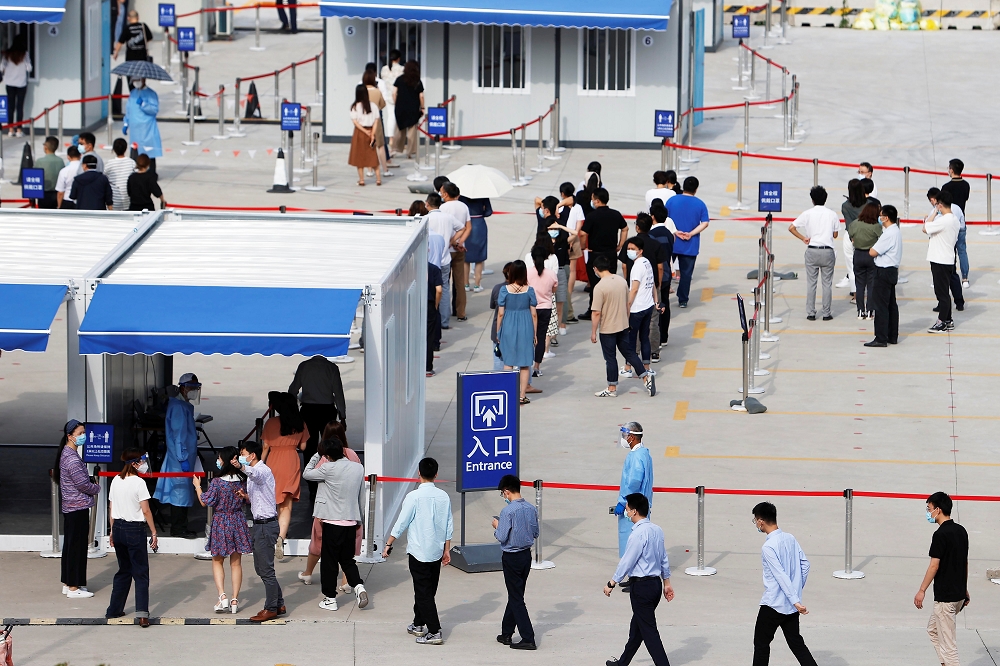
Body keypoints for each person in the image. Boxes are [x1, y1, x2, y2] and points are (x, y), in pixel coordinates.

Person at [382, 457, 453, 645]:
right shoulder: (443, 496)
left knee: (423, 592)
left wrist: (389, 543)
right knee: (427, 590)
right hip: (436, 552)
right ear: (436, 474)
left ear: (419, 473)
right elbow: (448, 525)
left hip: (418, 552)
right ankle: (418, 623)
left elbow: (402, 522)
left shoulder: (413, 497)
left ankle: (435, 631)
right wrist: (447, 550)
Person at [603, 493, 673, 666]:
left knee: (648, 631)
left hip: (641, 588)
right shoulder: (657, 530)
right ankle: (622, 663)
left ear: (634, 511)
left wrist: (612, 582)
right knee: (637, 629)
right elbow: (664, 558)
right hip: (655, 585)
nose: (626, 512)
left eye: (627, 509)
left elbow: (627, 561)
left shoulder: (637, 534)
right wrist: (667, 583)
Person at [302, 437, 369, 612]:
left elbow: (307, 473)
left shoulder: (327, 468)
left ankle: (330, 598)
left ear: (327, 454)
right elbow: (361, 496)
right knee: (347, 560)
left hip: (331, 522)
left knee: (329, 562)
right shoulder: (358, 468)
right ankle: (359, 586)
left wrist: (317, 455)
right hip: (350, 521)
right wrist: (359, 520)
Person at [751, 502, 817, 666]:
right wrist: (796, 595)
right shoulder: (790, 538)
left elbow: (780, 575)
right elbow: (805, 565)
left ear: (761, 521)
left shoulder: (768, 547)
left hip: (773, 604)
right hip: (791, 607)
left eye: (755, 521)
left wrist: (794, 599)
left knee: (761, 645)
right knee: (796, 644)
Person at [192, 445, 253, 614]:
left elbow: (205, 501)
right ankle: (234, 600)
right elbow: (248, 500)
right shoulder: (242, 481)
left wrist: (197, 486)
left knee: (217, 560)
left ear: (224, 461)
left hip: (221, 521)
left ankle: (222, 596)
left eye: (219, 458)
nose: (217, 461)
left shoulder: (217, 483)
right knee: (236, 563)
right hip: (238, 520)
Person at [914, 491, 969, 666]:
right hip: (958, 595)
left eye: (929, 509)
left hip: (945, 599)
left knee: (949, 646)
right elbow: (964, 563)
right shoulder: (961, 531)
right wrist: (964, 588)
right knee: (933, 630)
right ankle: (945, 664)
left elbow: (934, 566)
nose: (928, 513)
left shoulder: (940, 535)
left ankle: (949, 663)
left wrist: (921, 590)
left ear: (938, 510)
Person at [106, 447, 157, 628]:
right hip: (134, 530)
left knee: (123, 570)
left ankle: (114, 609)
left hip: (118, 528)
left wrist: (112, 530)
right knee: (141, 573)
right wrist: (153, 532)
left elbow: (111, 508)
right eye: (142, 461)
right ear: (135, 464)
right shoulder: (138, 483)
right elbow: (146, 510)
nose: (143, 465)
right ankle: (142, 614)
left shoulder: (115, 481)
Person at [235, 440, 286, 622]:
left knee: (265, 570)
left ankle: (271, 607)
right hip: (260, 524)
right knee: (262, 568)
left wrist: (240, 466)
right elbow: (260, 497)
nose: (242, 457)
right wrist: (246, 497)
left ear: (252, 455)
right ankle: (278, 603)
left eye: (243, 454)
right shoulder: (255, 473)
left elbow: (255, 475)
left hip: (266, 525)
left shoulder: (262, 470)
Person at [590, 254, 655, 398]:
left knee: (610, 358)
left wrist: (593, 332)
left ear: (596, 269)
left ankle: (612, 387)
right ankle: (645, 377)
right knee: (630, 353)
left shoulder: (599, 287)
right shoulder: (621, 281)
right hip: (623, 325)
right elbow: (627, 303)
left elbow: (596, 313)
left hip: (608, 328)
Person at [288, 355, 347, 506]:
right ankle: (330, 480)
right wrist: (343, 415)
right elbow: (338, 393)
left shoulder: (304, 366)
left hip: (308, 410)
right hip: (327, 410)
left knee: (309, 448)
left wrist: (292, 409)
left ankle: (312, 485)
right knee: (330, 446)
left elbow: (293, 389)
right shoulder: (332, 368)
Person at [55, 419, 100, 599]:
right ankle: (74, 587)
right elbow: (82, 484)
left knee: (71, 546)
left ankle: (69, 582)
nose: (84, 436)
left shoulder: (67, 454)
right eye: (80, 433)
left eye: (84, 433)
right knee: (77, 547)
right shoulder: (72, 459)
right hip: (77, 507)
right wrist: (96, 488)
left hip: (71, 507)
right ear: (70, 436)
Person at [493, 474, 539, 650]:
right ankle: (506, 633)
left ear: (506, 492)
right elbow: (535, 532)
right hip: (526, 556)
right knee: (516, 594)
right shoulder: (530, 508)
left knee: (516, 598)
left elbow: (502, 536)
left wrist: (497, 526)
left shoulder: (507, 512)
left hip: (511, 557)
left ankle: (528, 637)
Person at [262, 391, 309, 561]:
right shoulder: (300, 423)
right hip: (291, 461)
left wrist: (259, 466)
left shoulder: (271, 422)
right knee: (286, 505)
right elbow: (303, 447)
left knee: (272, 500)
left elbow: (266, 446)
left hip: (274, 460)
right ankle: (281, 537)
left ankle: (270, 535)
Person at [154, 372, 201, 538]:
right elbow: (178, 436)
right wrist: (182, 458)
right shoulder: (179, 408)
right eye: (192, 387)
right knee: (180, 493)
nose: (195, 390)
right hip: (180, 458)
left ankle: (181, 525)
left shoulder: (183, 405)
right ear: (183, 388)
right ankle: (178, 528)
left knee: (183, 492)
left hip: (183, 456)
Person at [789, 186, 840, 322]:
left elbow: (791, 227)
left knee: (811, 283)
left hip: (812, 250)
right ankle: (826, 313)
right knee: (827, 284)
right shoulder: (832, 214)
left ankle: (811, 312)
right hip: (827, 251)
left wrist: (803, 238)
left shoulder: (807, 213)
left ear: (812, 199)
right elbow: (835, 234)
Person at [614, 423, 653, 590]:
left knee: (633, 543)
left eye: (625, 435)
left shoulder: (636, 457)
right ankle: (633, 576)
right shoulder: (643, 454)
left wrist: (624, 502)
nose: (623, 438)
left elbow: (633, 482)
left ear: (631, 437)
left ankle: (638, 579)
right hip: (639, 505)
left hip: (633, 506)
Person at [578, 187, 627, 319]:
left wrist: (583, 247)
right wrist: (620, 245)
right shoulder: (616, 214)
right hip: (611, 254)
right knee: (610, 282)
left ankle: (593, 310)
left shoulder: (592, 216)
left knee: (595, 285)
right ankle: (609, 310)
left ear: (597, 200)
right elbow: (625, 228)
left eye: (593, 199)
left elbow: (583, 234)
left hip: (596, 255)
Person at [664, 177, 710, 308]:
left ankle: (663, 295)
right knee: (686, 274)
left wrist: (676, 231)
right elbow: (705, 223)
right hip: (690, 244)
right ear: (696, 189)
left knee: (665, 270)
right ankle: (683, 299)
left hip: (672, 241)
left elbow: (665, 218)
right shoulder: (700, 204)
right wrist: (690, 233)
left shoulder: (672, 200)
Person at [496, 260, 538, 404]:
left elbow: (500, 314)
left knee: (508, 361)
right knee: (525, 363)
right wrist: (535, 333)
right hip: (526, 325)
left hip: (508, 325)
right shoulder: (530, 290)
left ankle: (508, 393)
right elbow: (534, 314)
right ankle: (521, 395)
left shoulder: (504, 290)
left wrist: (498, 331)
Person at [425, 192, 466, 329]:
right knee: (445, 289)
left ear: (428, 204)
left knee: (430, 291)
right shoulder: (448, 217)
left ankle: (432, 319)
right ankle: (444, 321)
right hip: (445, 259)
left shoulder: (426, 219)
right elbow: (462, 228)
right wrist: (452, 241)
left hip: (430, 261)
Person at [619, 237, 659, 379]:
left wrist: (627, 306)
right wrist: (656, 300)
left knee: (630, 339)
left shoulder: (636, 267)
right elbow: (652, 283)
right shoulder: (647, 263)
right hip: (648, 306)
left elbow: (634, 289)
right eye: (628, 249)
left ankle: (628, 367)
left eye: (633, 249)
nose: (630, 252)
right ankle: (647, 367)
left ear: (640, 251)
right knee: (644, 337)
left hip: (637, 308)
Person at [924, 190, 962, 333]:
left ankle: (942, 321)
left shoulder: (943, 220)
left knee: (942, 293)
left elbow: (925, 227)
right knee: (944, 292)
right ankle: (949, 319)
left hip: (939, 260)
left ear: (940, 204)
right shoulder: (954, 219)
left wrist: (933, 213)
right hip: (947, 258)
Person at [539, 195, 576, 333]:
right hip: (548, 274)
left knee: (561, 301)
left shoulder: (562, 241)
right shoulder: (544, 243)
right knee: (550, 303)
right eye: (551, 229)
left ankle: (560, 326)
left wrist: (560, 226)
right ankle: (550, 329)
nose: (553, 231)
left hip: (560, 272)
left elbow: (575, 233)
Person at [866, 205, 902, 347]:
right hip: (892, 271)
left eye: (881, 216)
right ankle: (892, 335)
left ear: (886, 218)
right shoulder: (896, 231)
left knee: (881, 306)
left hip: (883, 271)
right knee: (891, 305)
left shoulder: (888, 234)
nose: (879, 218)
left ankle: (880, 337)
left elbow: (873, 252)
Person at [927, 188, 966, 310]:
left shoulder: (941, 216)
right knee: (952, 276)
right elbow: (962, 226)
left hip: (940, 252)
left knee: (941, 287)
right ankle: (959, 302)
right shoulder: (957, 210)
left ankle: (944, 314)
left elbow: (927, 227)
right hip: (951, 246)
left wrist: (934, 213)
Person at [441, 182, 472, 320]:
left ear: (446, 194)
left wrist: (451, 241)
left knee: (444, 283)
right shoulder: (464, 206)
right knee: (459, 283)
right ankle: (461, 313)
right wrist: (459, 242)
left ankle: (444, 312)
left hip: (446, 249)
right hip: (460, 248)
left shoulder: (443, 207)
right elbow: (467, 227)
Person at [527, 244, 558, 380]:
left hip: (529, 308)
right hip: (545, 308)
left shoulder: (527, 273)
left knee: (527, 337)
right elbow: (554, 290)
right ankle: (537, 367)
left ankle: (525, 366)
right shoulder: (551, 274)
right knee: (540, 337)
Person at [647, 202, 674, 349]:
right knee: (665, 304)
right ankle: (664, 336)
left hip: (657, 275)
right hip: (667, 274)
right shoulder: (669, 234)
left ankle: (656, 337)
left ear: (653, 217)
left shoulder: (653, 235)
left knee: (656, 306)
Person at [849, 202, 882, 319]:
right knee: (871, 285)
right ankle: (869, 311)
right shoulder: (876, 226)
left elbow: (851, 235)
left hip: (858, 254)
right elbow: (882, 239)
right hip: (871, 255)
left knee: (860, 285)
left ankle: (860, 311)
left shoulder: (855, 224)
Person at [123, 79, 163, 173]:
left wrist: (144, 104)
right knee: (135, 153)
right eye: (134, 80)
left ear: (143, 80)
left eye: (137, 80)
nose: (135, 82)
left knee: (149, 153)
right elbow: (129, 110)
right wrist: (126, 122)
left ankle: (151, 173)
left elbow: (154, 110)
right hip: (135, 130)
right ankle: (136, 173)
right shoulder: (133, 93)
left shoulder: (151, 94)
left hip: (147, 129)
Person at [941, 159, 971, 288]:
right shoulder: (966, 185)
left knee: (948, 250)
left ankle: (949, 276)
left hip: (949, 222)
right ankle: (965, 278)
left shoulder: (946, 187)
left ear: (951, 170)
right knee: (962, 250)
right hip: (961, 220)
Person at [836, 179, 867, 293]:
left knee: (851, 266)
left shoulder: (846, 206)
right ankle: (866, 291)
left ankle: (856, 292)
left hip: (851, 237)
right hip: (867, 236)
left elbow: (849, 224)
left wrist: (852, 237)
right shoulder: (868, 204)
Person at [348, 84, 381, 186]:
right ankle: (378, 179)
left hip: (359, 133)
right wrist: (372, 133)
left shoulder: (355, 106)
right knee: (372, 156)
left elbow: (355, 122)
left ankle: (362, 180)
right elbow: (376, 121)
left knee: (360, 157)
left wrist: (364, 131)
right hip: (371, 130)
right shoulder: (373, 106)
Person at [393, 60, 425, 159]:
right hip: (413, 109)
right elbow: (421, 96)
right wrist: (422, 107)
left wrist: (396, 103)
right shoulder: (418, 81)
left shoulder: (399, 79)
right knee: (412, 131)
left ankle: (395, 149)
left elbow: (394, 93)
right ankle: (410, 152)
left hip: (401, 108)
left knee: (399, 129)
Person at [362, 67, 390, 179]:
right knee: (380, 146)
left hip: (364, 120)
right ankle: (385, 170)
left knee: (369, 146)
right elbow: (382, 105)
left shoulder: (361, 91)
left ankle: (369, 170)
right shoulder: (377, 91)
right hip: (376, 120)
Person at [464, 194, 494, 292]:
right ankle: (477, 285)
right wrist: (481, 213)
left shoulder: (462, 195)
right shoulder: (483, 194)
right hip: (479, 222)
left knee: (466, 257)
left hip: (466, 224)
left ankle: (466, 284)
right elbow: (489, 211)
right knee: (479, 257)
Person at [1, 39, 31, 137]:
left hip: (9, 82)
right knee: (19, 106)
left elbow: (1, 67)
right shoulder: (24, 54)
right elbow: (29, 68)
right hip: (21, 83)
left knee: (10, 106)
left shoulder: (7, 54)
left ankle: (10, 129)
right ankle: (19, 130)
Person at [490, 263, 514, 371]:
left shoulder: (497, 288)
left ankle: (498, 383)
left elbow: (493, 306)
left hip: (497, 329)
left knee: (498, 359)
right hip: (513, 328)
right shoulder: (522, 290)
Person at [380, 49, 404, 149]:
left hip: (387, 96)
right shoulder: (402, 69)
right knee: (399, 118)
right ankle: (399, 141)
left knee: (390, 117)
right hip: (399, 96)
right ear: (398, 58)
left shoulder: (384, 69)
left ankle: (391, 139)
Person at [104, 138, 136, 212]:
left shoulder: (110, 164)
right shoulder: (131, 163)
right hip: (128, 200)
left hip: (114, 201)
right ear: (126, 148)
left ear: (114, 149)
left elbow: (104, 177)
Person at [34, 137, 65, 209]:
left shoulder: (40, 161)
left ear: (46, 147)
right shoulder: (60, 161)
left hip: (44, 194)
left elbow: (35, 178)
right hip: (57, 194)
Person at [427, 259, 443, 377]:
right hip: (429, 305)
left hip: (414, 305)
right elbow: (439, 290)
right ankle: (428, 367)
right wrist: (436, 304)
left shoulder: (412, 268)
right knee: (429, 336)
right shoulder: (434, 269)